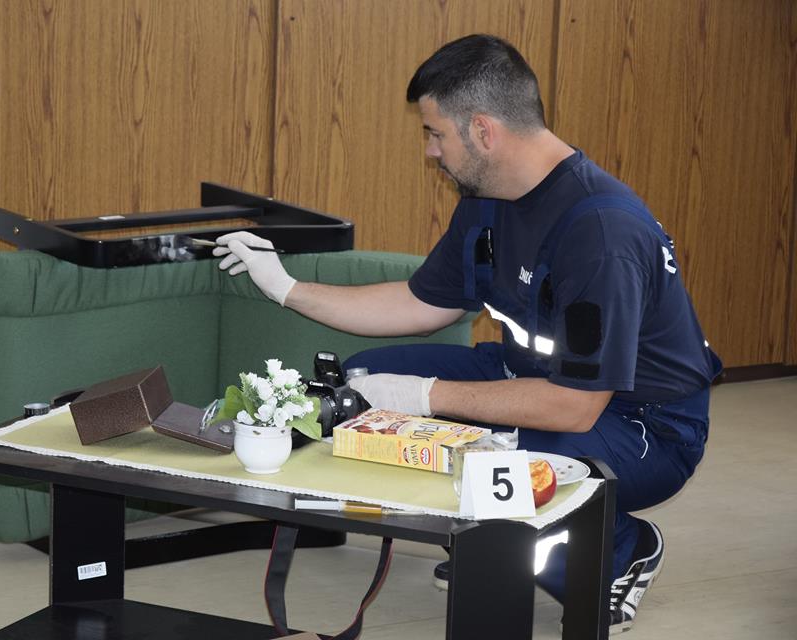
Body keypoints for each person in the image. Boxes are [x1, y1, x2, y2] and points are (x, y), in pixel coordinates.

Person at [213, 34, 721, 634]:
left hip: (643, 426)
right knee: (358, 387)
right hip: (530, 377)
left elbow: (575, 406)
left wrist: (424, 398)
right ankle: (487, 535)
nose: (430, 151)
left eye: (435, 134)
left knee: (489, 458)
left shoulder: (601, 233)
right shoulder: (488, 198)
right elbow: (420, 303)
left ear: (483, 130)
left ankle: (620, 550)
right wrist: (285, 287)